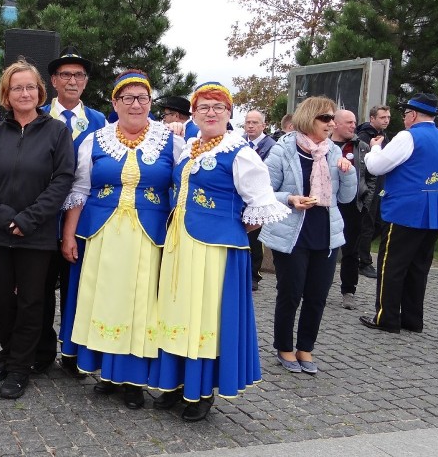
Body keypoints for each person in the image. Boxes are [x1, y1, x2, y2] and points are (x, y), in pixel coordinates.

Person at [148, 82, 289, 422]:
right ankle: (176, 382)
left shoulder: (240, 152)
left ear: (229, 115)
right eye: (203, 107)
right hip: (180, 245)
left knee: (205, 317)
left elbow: (260, 206)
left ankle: (202, 391)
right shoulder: (190, 147)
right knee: (178, 311)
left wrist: (229, 230)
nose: (210, 113)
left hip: (216, 252)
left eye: (218, 108)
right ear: (193, 113)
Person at [60, 70, 186, 410]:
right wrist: (69, 234)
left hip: (149, 236)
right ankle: (107, 374)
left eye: (142, 97)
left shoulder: (171, 140)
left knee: (141, 305)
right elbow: (80, 189)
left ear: (150, 102)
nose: (135, 104)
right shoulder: (96, 139)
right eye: (127, 98)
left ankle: (132, 380)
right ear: (115, 103)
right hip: (102, 234)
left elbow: (189, 180)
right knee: (103, 300)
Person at [0, 59, 74, 399]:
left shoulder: (58, 132)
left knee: (32, 302)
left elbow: (62, 181)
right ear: (6, 94)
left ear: (40, 92)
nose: (25, 92)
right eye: (17, 87)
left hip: (37, 234)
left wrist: (28, 219)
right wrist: (3, 217)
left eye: (30, 87)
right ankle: (9, 353)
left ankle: (19, 367)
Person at [259, 96, 356, 376]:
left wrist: (348, 174)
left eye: (332, 118)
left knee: (317, 296)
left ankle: (306, 348)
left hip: (325, 234)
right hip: (292, 232)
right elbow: (265, 191)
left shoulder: (333, 152)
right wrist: (290, 198)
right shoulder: (283, 149)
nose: (331, 124)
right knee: (291, 293)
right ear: (309, 118)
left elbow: (346, 198)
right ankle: (284, 347)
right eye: (325, 118)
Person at [359, 93, 438, 334]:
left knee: (392, 264)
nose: (404, 118)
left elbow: (376, 166)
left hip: (406, 208)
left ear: (413, 114)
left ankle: (387, 317)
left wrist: (374, 149)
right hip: (435, 210)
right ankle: (413, 319)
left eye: (405, 114)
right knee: (419, 266)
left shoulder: (408, 136)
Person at [36, 46, 105, 375]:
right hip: (42, 215)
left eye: (79, 75)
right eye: (66, 75)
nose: (73, 80)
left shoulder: (100, 121)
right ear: (53, 80)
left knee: (79, 285)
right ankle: (42, 348)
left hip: (85, 218)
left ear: (86, 82)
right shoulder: (36, 115)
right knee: (41, 285)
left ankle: (75, 352)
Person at [330, 110, 375, 310]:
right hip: (328, 205)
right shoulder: (324, 146)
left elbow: (372, 177)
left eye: (354, 122)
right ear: (336, 124)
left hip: (353, 206)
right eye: (348, 122)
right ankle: (318, 287)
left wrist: (365, 201)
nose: (352, 126)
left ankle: (349, 291)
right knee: (325, 249)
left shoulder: (362, 148)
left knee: (351, 251)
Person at [355, 105, 392, 279]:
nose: (386, 120)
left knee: (378, 222)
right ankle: (364, 261)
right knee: (368, 223)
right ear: (372, 118)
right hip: (369, 185)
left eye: (388, 117)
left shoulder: (384, 136)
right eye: (383, 117)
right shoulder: (364, 135)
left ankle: (358, 252)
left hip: (381, 185)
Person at [243, 109, 277, 291]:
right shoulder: (239, 142)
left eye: (254, 122)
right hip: (241, 196)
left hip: (258, 196)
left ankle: (254, 275)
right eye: (248, 122)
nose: (250, 125)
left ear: (263, 126)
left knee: (255, 238)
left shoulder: (271, 146)